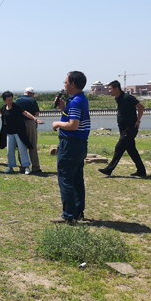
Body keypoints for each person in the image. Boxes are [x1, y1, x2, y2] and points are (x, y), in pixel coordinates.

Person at [51, 71, 91, 224]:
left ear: (73, 84)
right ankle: (78, 212)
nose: (64, 85)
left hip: (70, 144)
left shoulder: (74, 102)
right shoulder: (80, 99)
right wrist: (63, 109)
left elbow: (73, 125)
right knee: (76, 179)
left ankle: (68, 215)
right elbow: (75, 120)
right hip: (80, 144)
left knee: (66, 179)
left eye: (66, 82)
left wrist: (57, 123)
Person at [98, 80, 146, 177]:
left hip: (130, 128)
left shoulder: (127, 97)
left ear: (117, 89)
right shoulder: (118, 98)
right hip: (124, 129)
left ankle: (109, 169)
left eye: (111, 89)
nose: (109, 91)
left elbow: (141, 107)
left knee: (119, 147)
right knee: (131, 150)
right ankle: (141, 171)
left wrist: (138, 121)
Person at [0, 91, 39, 174]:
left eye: (11, 99)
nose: (10, 101)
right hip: (9, 133)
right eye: (8, 100)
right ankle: (10, 167)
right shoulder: (4, 108)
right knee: (10, 151)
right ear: (4, 101)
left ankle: (26, 167)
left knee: (22, 149)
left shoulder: (17, 107)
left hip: (19, 132)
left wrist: (34, 119)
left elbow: (25, 113)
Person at [15, 87, 42, 173]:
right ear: (31, 94)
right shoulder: (32, 101)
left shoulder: (17, 100)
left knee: (21, 145)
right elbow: (37, 113)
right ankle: (35, 166)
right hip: (30, 123)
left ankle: (22, 166)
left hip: (20, 124)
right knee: (32, 145)